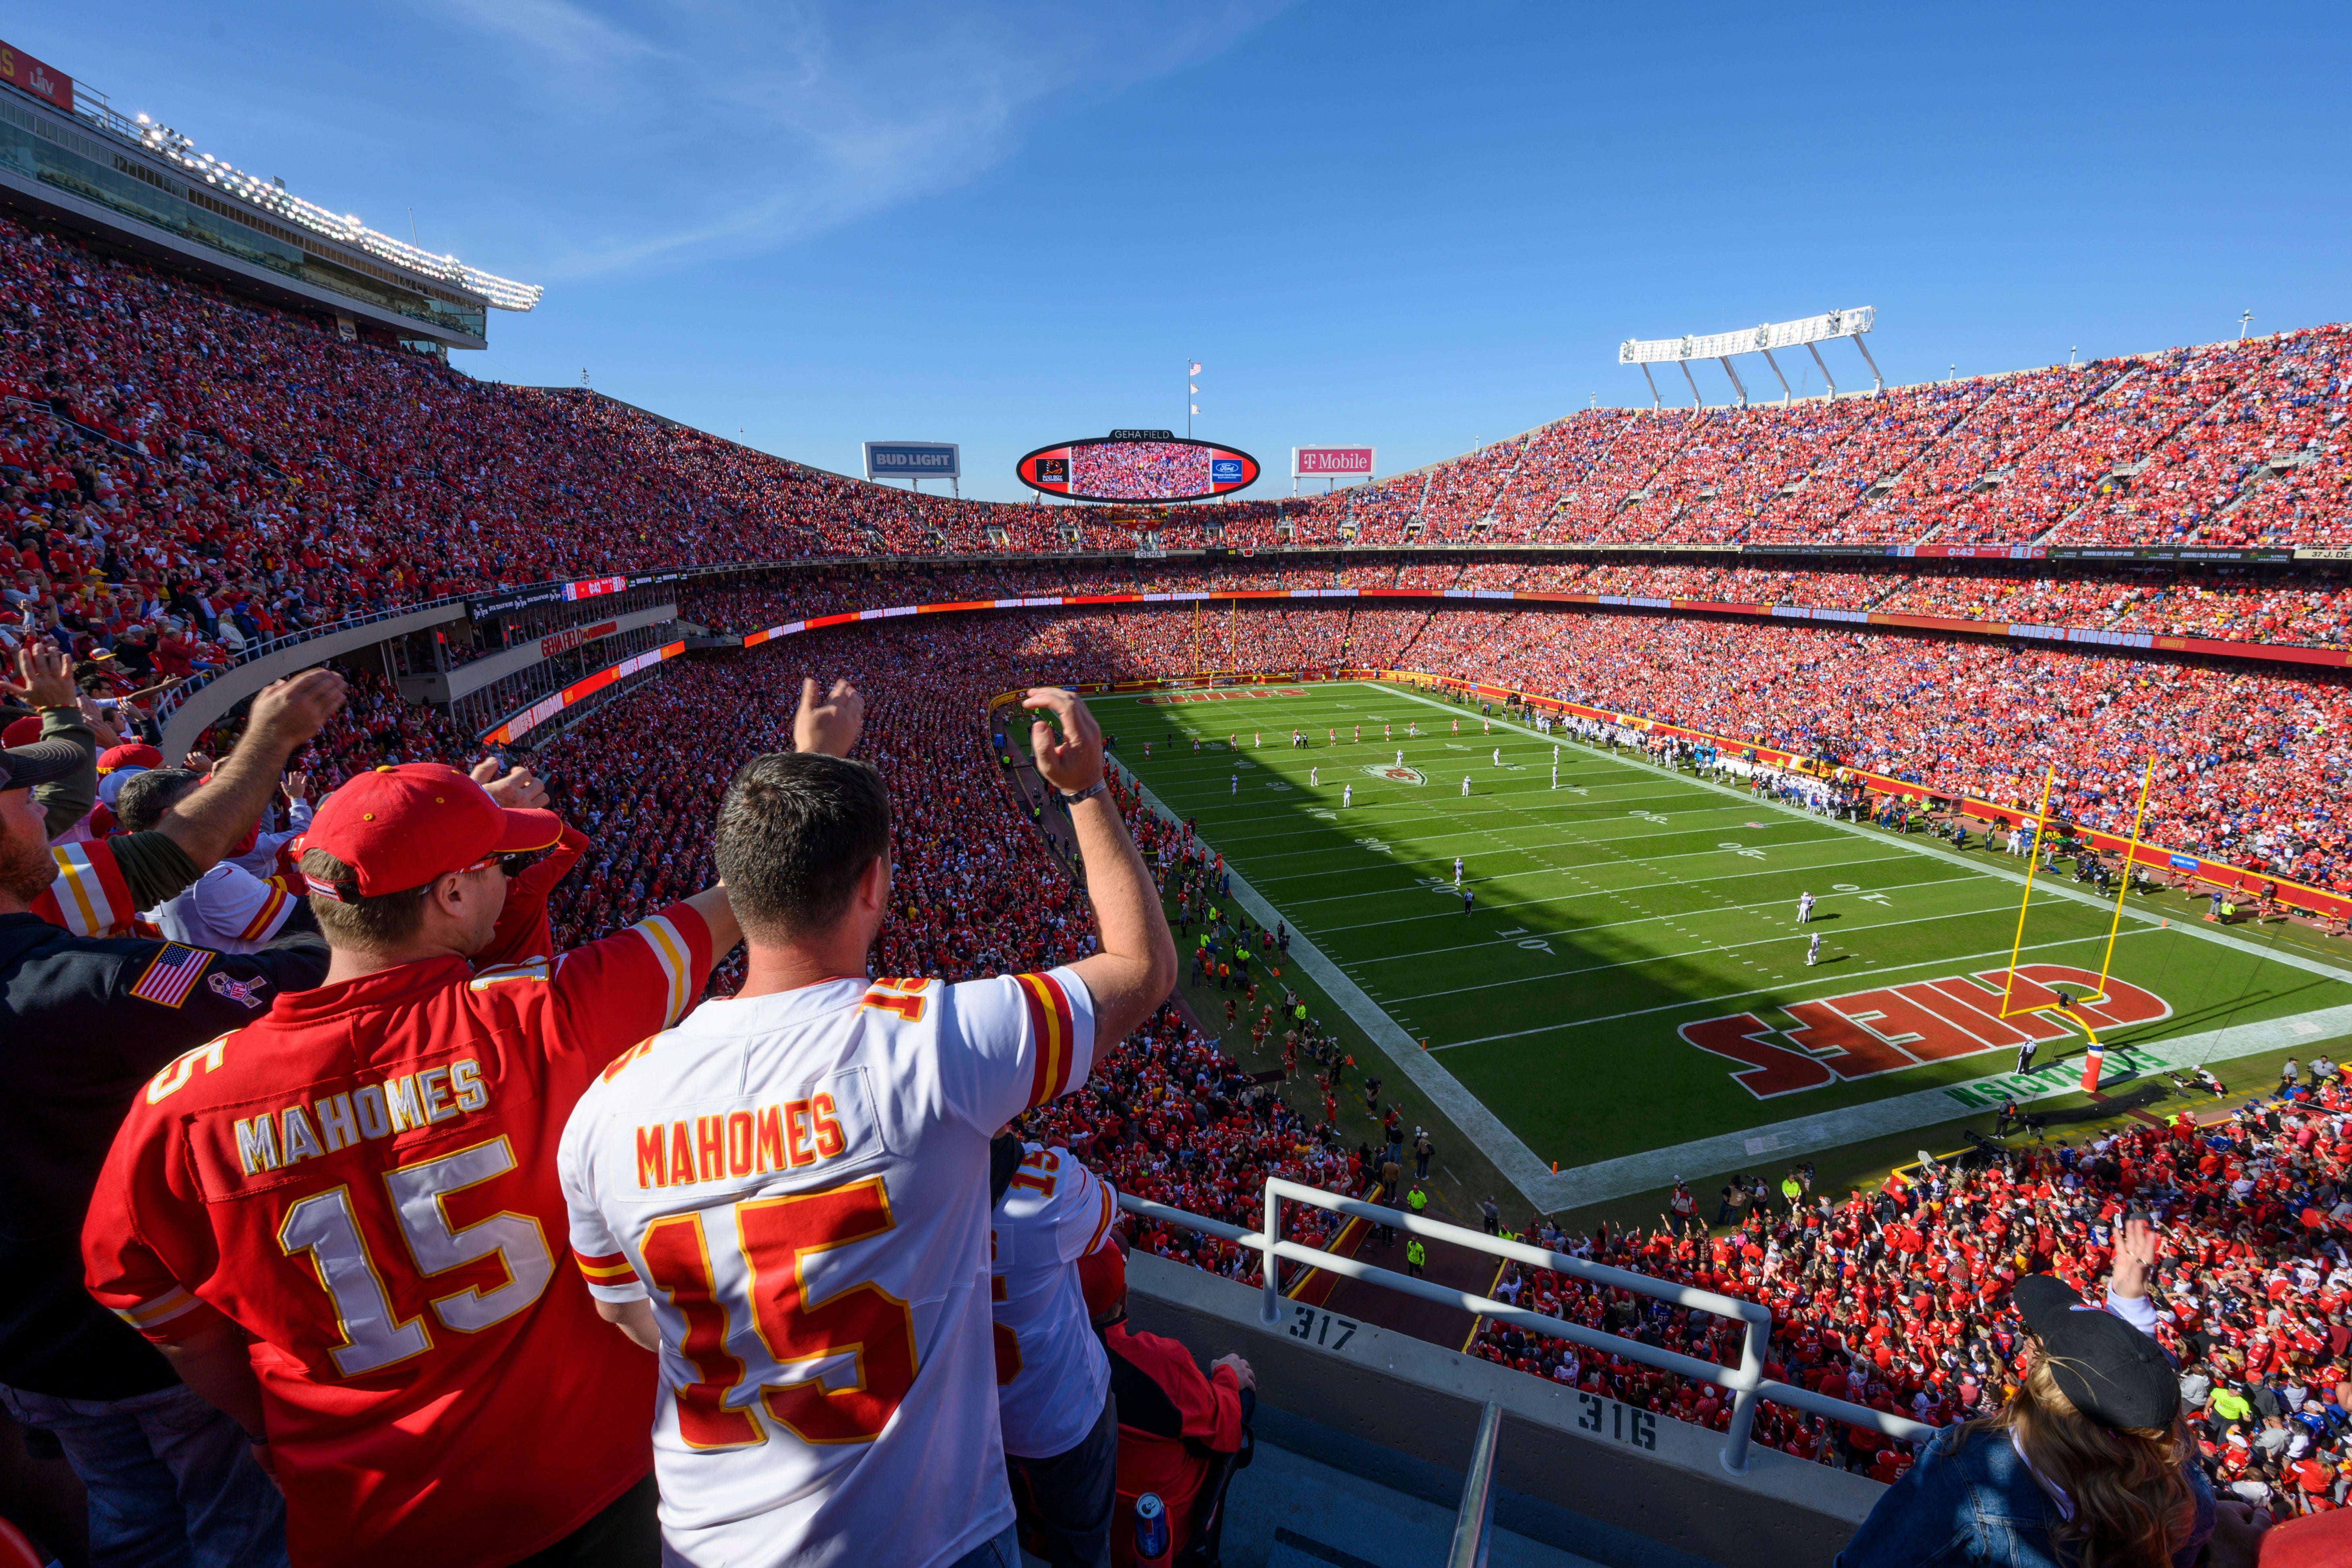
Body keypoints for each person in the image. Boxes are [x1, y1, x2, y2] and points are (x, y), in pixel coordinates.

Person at [82, 705, 747, 1566]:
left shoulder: (181, 1106)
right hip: (580, 1483)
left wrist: (258, 1415)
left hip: (363, 1511)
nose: (510, 877)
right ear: (453, 894)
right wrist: (815, 764)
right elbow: (715, 916)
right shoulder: (539, 1019)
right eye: (497, 864)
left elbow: (139, 1291)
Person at [555, 683, 1174, 1568]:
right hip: (929, 1539)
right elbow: (1141, 968)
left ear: (738, 880)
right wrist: (1083, 789)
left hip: (707, 1546)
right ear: (876, 883)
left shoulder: (606, 1110)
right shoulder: (931, 1048)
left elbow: (631, 1317)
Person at [2, 666, 348, 1568]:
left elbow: (167, 849)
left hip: (28, 1355)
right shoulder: (93, 983)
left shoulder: (65, 940)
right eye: (19, 799)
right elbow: (267, 989)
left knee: (130, 1525)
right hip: (153, 1342)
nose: (45, 808)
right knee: (238, 1529)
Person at [1836, 1220, 2218, 1568]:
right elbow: (2139, 1409)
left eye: (2032, 1335)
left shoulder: (1971, 1465)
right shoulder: (2182, 1488)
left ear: (2043, 1373)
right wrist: (2130, 1310)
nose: (2025, 1344)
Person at [991, 1135, 1122, 1568]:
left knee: (1000, 1532)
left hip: (976, 1419)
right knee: (1081, 1544)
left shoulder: (908, 1190)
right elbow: (1107, 1209)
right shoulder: (1047, 1184)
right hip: (1063, 1415)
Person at [1081, 1243, 1249, 1568]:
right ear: (1125, 1297)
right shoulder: (1163, 1362)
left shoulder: (1035, 1357)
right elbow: (1226, 1429)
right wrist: (1227, 1376)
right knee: (1243, 1402)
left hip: (1070, 1524)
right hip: (1151, 1538)